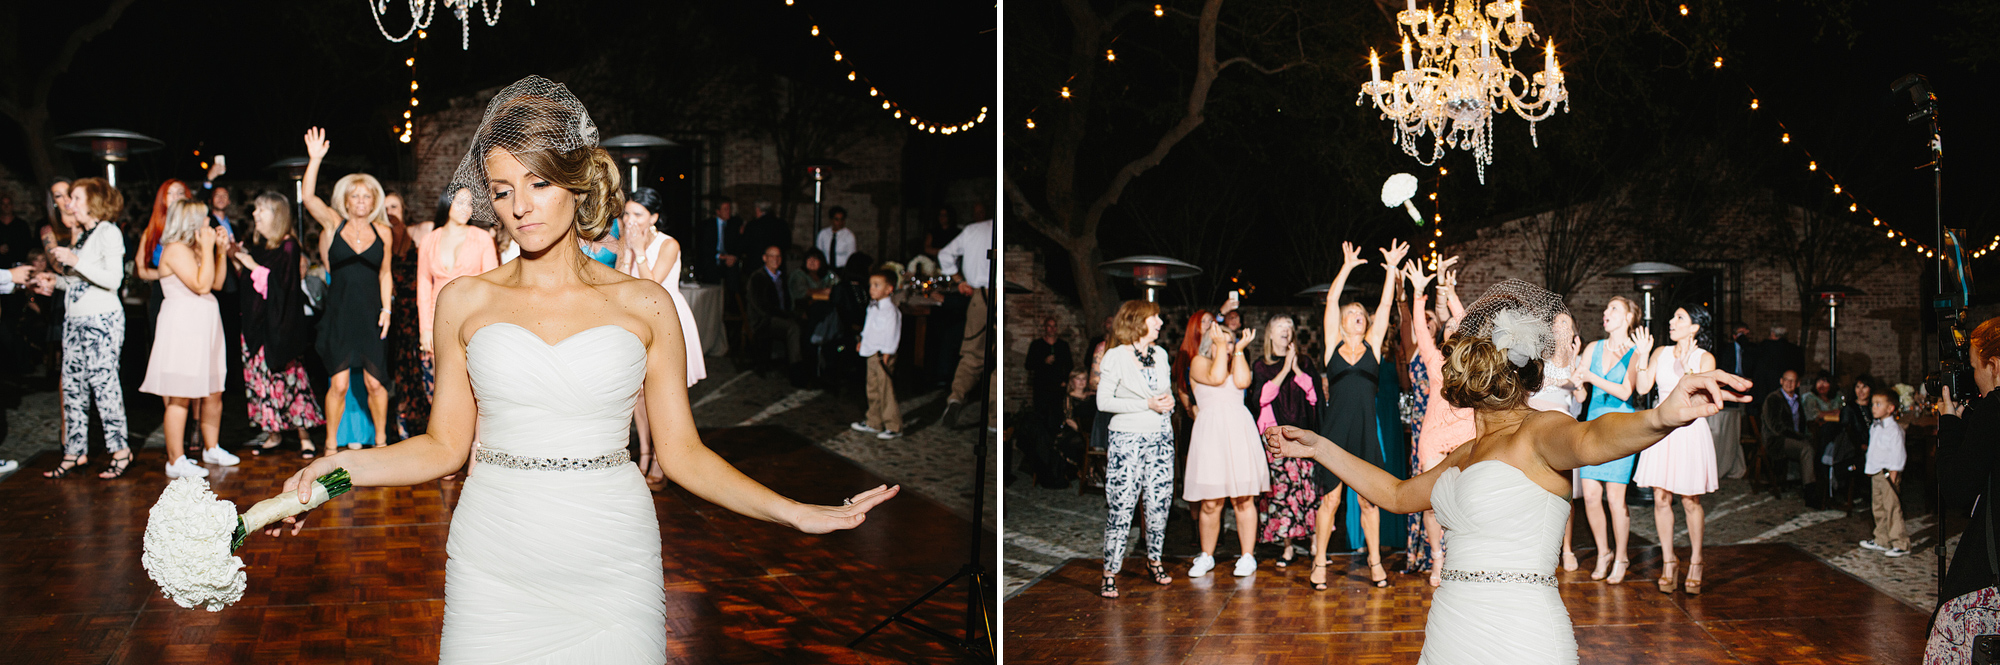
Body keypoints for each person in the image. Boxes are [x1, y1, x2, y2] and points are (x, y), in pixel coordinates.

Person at [265, 77, 896, 661]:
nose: (520, 207)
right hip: (494, 558)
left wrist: (796, 512)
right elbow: (439, 448)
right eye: (504, 190)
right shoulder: (465, 301)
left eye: (538, 184)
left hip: (612, 558)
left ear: (575, 182)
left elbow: (683, 455)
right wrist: (332, 476)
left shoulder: (644, 303)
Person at [1265, 278, 1752, 665]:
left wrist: (1662, 415)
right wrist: (1319, 447)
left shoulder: (1540, 433)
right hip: (1451, 627)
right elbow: (1394, 494)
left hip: (1521, 632)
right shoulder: (1464, 453)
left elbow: (1596, 436)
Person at [1311, 240, 1409, 590]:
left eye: (1360, 313)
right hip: (1335, 431)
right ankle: (1320, 561)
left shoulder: (1372, 344)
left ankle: (1375, 561)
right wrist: (1348, 266)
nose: (1358, 314)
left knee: (1369, 500)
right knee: (1331, 499)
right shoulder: (1332, 344)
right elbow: (1333, 299)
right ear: (1341, 321)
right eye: (1351, 312)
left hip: (1367, 431)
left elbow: (1384, 305)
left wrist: (1393, 268)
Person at [301, 127, 394, 451]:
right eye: (355, 196)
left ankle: (381, 444)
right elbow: (309, 198)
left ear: (373, 200)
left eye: (366, 196)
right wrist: (315, 160)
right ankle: (329, 446)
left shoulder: (384, 231)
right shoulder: (333, 223)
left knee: (374, 382)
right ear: (346, 199)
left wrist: (387, 309)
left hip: (370, 315)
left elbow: (385, 274)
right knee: (338, 385)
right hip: (340, 315)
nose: (360, 201)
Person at [139, 200, 235, 478]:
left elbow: (216, 283)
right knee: (179, 395)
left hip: (206, 324)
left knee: (214, 390)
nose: (209, 224)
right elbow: (200, 285)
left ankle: (212, 447)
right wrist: (206, 247)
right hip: (183, 326)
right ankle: (175, 459)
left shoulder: (193, 249)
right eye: (205, 219)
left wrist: (220, 252)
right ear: (191, 222)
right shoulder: (175, 249)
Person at [42, 178, 129, 480]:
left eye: (76, 198)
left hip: (102, 320)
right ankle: (74, 451)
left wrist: (75, 261)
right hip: (74, 321)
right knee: (73, 387)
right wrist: (54, 282)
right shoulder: (82, 237)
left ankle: (120, 451)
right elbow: (78, 282)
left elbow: (113, 280)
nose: (69, 204)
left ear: (93, 202)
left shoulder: (108, 232)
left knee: (105, 387)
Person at [620, 188, 707, 489]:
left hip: (668, 320)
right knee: (638, 395)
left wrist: (639, 250)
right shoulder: (626, 242)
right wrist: (625, 251)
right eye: (627, 213)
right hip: (638, 322)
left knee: (663, 395)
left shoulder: (669, 244)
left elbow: (651, 286)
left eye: (638, 214)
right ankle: (644, 452)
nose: (630, 220)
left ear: (654, 217)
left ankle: (661, 459)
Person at [1631, 305, 1720, 594]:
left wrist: (1687, 370)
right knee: (1660, 497)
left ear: (1695, 327)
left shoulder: (1705, 358)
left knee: (1690, 499)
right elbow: (1644, 388)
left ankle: (1696, 560)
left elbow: (1702, 398)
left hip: (1689, 430)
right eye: (1673, 316)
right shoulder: (1661, 353)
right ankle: (1669, 560)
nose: (1672, 321)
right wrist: (1643, 355)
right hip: (1661, 428)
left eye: (1679, 317)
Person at [231, 191, 324, 458]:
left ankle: (304, 435)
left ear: (277, 215)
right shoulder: (260, 247)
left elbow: (280, 288)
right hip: (254, 326)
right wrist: (235, 255)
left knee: (289, 380)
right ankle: (273, 433)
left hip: (280, 328)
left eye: (261, 210)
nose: (254, 215)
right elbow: (250, 284)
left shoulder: (288, 247)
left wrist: (249, 262)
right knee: (261, 381)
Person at [1096, 299, 1175, 598]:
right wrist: (1146, 404)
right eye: (1155, 318)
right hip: (1127, 439)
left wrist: (1168, 403)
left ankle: (1154, 560)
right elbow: (1104, 402)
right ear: (1137, 321)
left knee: (1159, 503)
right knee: (1122, 505)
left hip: (1161, 438)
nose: (1160, 323)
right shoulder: (1115, 356)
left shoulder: (1162, 355)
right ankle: (1109, 572)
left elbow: (1164, 393)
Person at [1404, 260, 1477, 586]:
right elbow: (1420, 330)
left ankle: (1463, 557)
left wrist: (1449, 292)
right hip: (1433, 435)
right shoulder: (1434, 360)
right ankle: (1437, 558)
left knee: (1466, 501)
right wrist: (1419, 293)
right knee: (1432, 504)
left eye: (1454, 329)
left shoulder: (1474, 363)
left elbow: (1466, 322)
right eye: (1446, 330)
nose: (1450, 331)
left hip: (1466, 435)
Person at [1183, 311, 1267, 579]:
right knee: (1210, 502)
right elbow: (1217, 377)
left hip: (1239, 432)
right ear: (1211, 342)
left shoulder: (1237, 361)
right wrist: (1221, 347)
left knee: (1243, 498)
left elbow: (1242, 382)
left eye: (1232, 341)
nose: (1229, 345)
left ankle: (1247, 556)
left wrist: (1240, 350)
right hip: (1210, 435)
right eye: (1224, 341)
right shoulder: (1198, 362)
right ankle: (1206, 555)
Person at [1570, 296, 1648, 583]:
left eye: (1614, 309)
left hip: (1620, 430)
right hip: (1593, 428)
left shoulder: (1635, 351)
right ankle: (1603, 552)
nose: (1606, 313)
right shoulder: (1594, 347)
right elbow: (1581, 388)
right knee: (1590, 496)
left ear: (1628, 318)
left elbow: (1627, 392)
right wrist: (1578, 381)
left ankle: (1623, 555)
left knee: (1616, 500)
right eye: (1606, 308)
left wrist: (1590, 375)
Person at [416, 186, 501, 441]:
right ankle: (448, 448)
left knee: (475, 389)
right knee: (442, 390)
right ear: (446, 203)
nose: (466, 209)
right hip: (437, 322)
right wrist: (424, 328)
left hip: (472, 323)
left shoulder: (482, 238)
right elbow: (422, 285)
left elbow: (491, 284)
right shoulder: (430, 239)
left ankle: (475, 450)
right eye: (460, 202)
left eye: (470, 204)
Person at [1249, 314, 1319, 568]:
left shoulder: (1305, 362)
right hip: (1276, 437)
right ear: (1270, 333)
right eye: (1280, 327)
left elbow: (1313, 395)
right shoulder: (1261, 365)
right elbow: (1262, 398)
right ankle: (1287, 547)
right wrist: (1285, 369)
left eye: (1289, 327)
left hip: (1302, 434)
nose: (1286, 331)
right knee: (1282, 492)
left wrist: (1296, 368)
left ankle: (1313, 543)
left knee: (1307, 489)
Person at [938, 216, 994, 429]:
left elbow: (945, 254)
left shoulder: (974, 230)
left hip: (980, 296)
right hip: (1002, 294)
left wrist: (959, 280)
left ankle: (956, 398)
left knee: (972, 355)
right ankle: (994, 419)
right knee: (997, 362)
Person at [385, 190, 429, 440]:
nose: (389, 212)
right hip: (396, 314)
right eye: (385, 209)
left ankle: (424, 424)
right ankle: (403, 426)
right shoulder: (381, 239)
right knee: (400, 370)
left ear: (403, 209)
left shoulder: (417, 232)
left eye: (394, 206)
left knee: (419, 368)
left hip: (418, 311)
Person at [850, 270, 903, 440]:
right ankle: (874, 420)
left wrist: (888, 352)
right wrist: (862, 341)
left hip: (882, 354)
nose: (872, 289)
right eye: (871, 285)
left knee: (885, 390)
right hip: (871, 351)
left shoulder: (891, 311)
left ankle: (893, 425)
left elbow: (892, 333)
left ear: (889, 289)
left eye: (877, 285)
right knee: (872, 388)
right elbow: (869, 327)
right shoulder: (873, 306)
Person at [1859, 391, 1909, 557]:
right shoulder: (1876, 426)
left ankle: (1900, 542)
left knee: (1892, 508)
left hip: (1888, 474)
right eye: (1873, 404)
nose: (1874, 407)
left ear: (1890, 408)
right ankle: (1881, 539)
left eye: (1878, 404)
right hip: (1877, 472)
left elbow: (1898, 453)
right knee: (1878, 507)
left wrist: (1894, 473)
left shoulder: (1893, 430)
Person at [746, 244, 803, 377]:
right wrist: (786, 316)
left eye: (778, 256)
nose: (775, 259)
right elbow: (761, 306)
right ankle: (796, 369)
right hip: (763, 320)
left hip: (777, 316)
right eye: (772, 256)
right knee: (793, 327)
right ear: (765, 258)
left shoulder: (780, 277)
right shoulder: (758, 278)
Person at [1761, 370, 1819, 499]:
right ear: (1781, 381)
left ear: (1798, 384)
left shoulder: (1797, 400)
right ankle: (1810, 491)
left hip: (1794, 438)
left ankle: (1823, 487)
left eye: (1792, 381)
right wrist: (1800, 437)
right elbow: (1776, 427)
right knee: (1806, 449)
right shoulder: (1774, 399)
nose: (1789, 383)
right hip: (1778, 440)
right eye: (1786, 380)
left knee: (1818, 443)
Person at [814, 206, 856, 270]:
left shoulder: (849, 236)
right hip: (826, 268)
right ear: (831, 220)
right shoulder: (823, 234)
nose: (840, 223)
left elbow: (851, 257)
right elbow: (819, 253)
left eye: (842, 219)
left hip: (842, 269)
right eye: (837, 219)